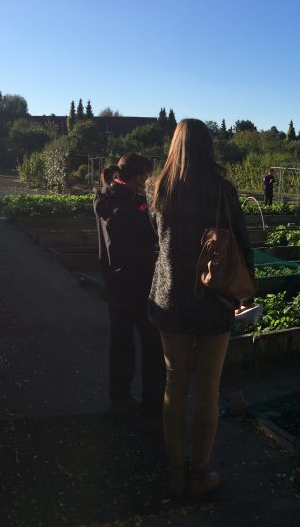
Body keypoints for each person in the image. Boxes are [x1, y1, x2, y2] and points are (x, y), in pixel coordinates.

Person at [148, 119, 253, 499]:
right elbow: (242, 244)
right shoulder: (223, 191)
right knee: (208, 387)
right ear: (209, 147)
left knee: (175, 385)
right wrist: (245, 292)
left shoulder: (158, 188)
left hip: (170, 298)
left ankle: (175, 474)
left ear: (175, 145)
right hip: (214, 301)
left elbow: (156, 241)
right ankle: (200, 474)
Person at [94, 154, 162, 426]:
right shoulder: (125, 208)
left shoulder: (106, 197)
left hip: (114, 282)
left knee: (121, 344)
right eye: (144, 179)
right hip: (135, 283)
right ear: (135, 178)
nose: (146, 184)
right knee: (151, 345)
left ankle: (120, 397)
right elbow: (151, 234)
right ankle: (151, 407)